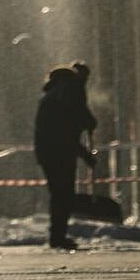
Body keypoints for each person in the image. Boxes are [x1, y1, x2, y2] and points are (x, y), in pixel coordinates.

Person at [34, 63, 99, 250]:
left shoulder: (49, 97)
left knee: (58, 194)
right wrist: (86, 152)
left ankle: (57, 235)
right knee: (64, 195)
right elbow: (67, 130)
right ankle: (58, 236)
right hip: (62, 152)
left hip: (47, 152)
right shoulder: (68, 93)